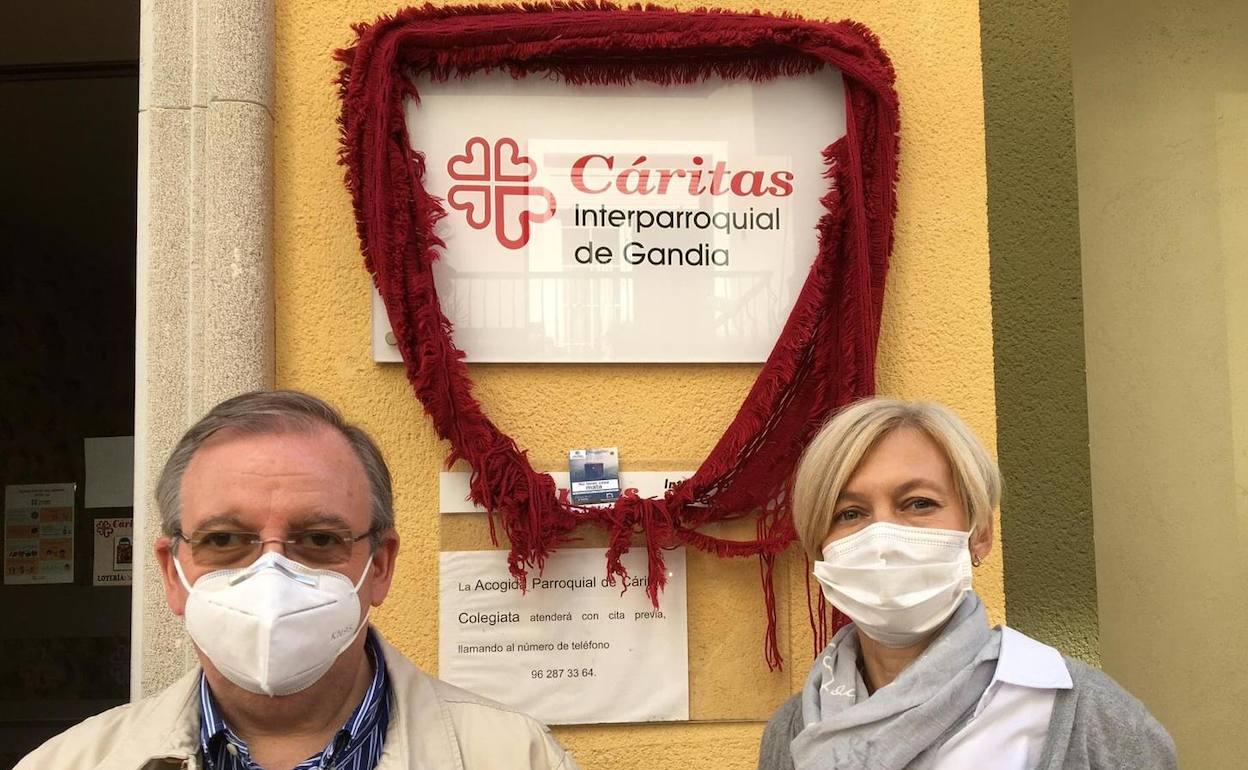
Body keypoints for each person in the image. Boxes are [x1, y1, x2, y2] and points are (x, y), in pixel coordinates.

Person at [19, 390, 579, 770]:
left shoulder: (517, 755)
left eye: (317, 540)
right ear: (172, 572)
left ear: (378, 566)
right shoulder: (70, 762)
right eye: (223, 540)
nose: (271, 575)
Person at [757, 397, 1176, 770]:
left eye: (919, 504)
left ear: (980, 535)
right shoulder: (794, 730)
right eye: (850, 513)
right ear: (820, 547)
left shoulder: (1091, 718)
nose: (882, 539)